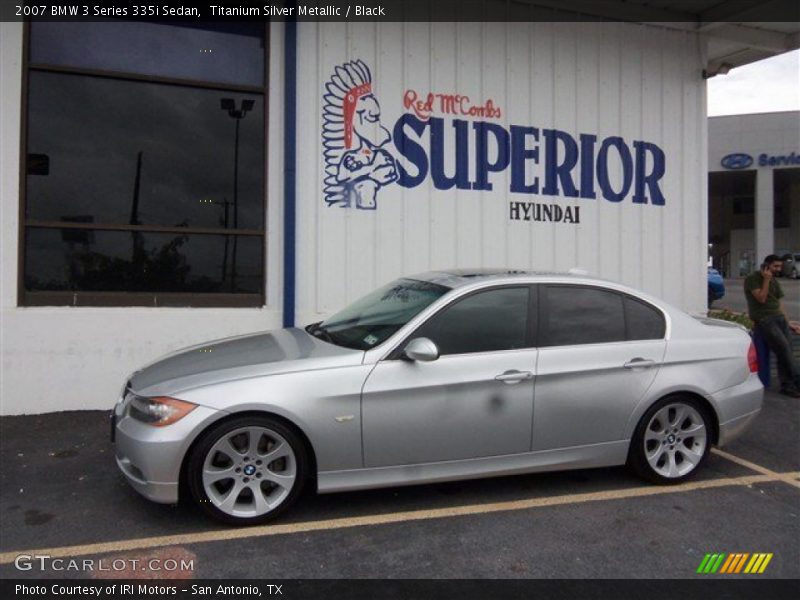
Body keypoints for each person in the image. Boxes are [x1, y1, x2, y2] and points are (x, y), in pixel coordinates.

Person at [744, 254, 800, 398]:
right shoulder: (753, 279)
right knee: (784, 350)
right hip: (765, 319)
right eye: (775, 266)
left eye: (780, 266)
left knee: (786, 352)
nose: (778, 269)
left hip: (779, 318)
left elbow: (779, 304)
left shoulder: (774, 280)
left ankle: (787, 386)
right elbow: (761, 298)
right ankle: (796, 381)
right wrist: (766, 280)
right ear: (766, 265)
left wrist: (788, 322)